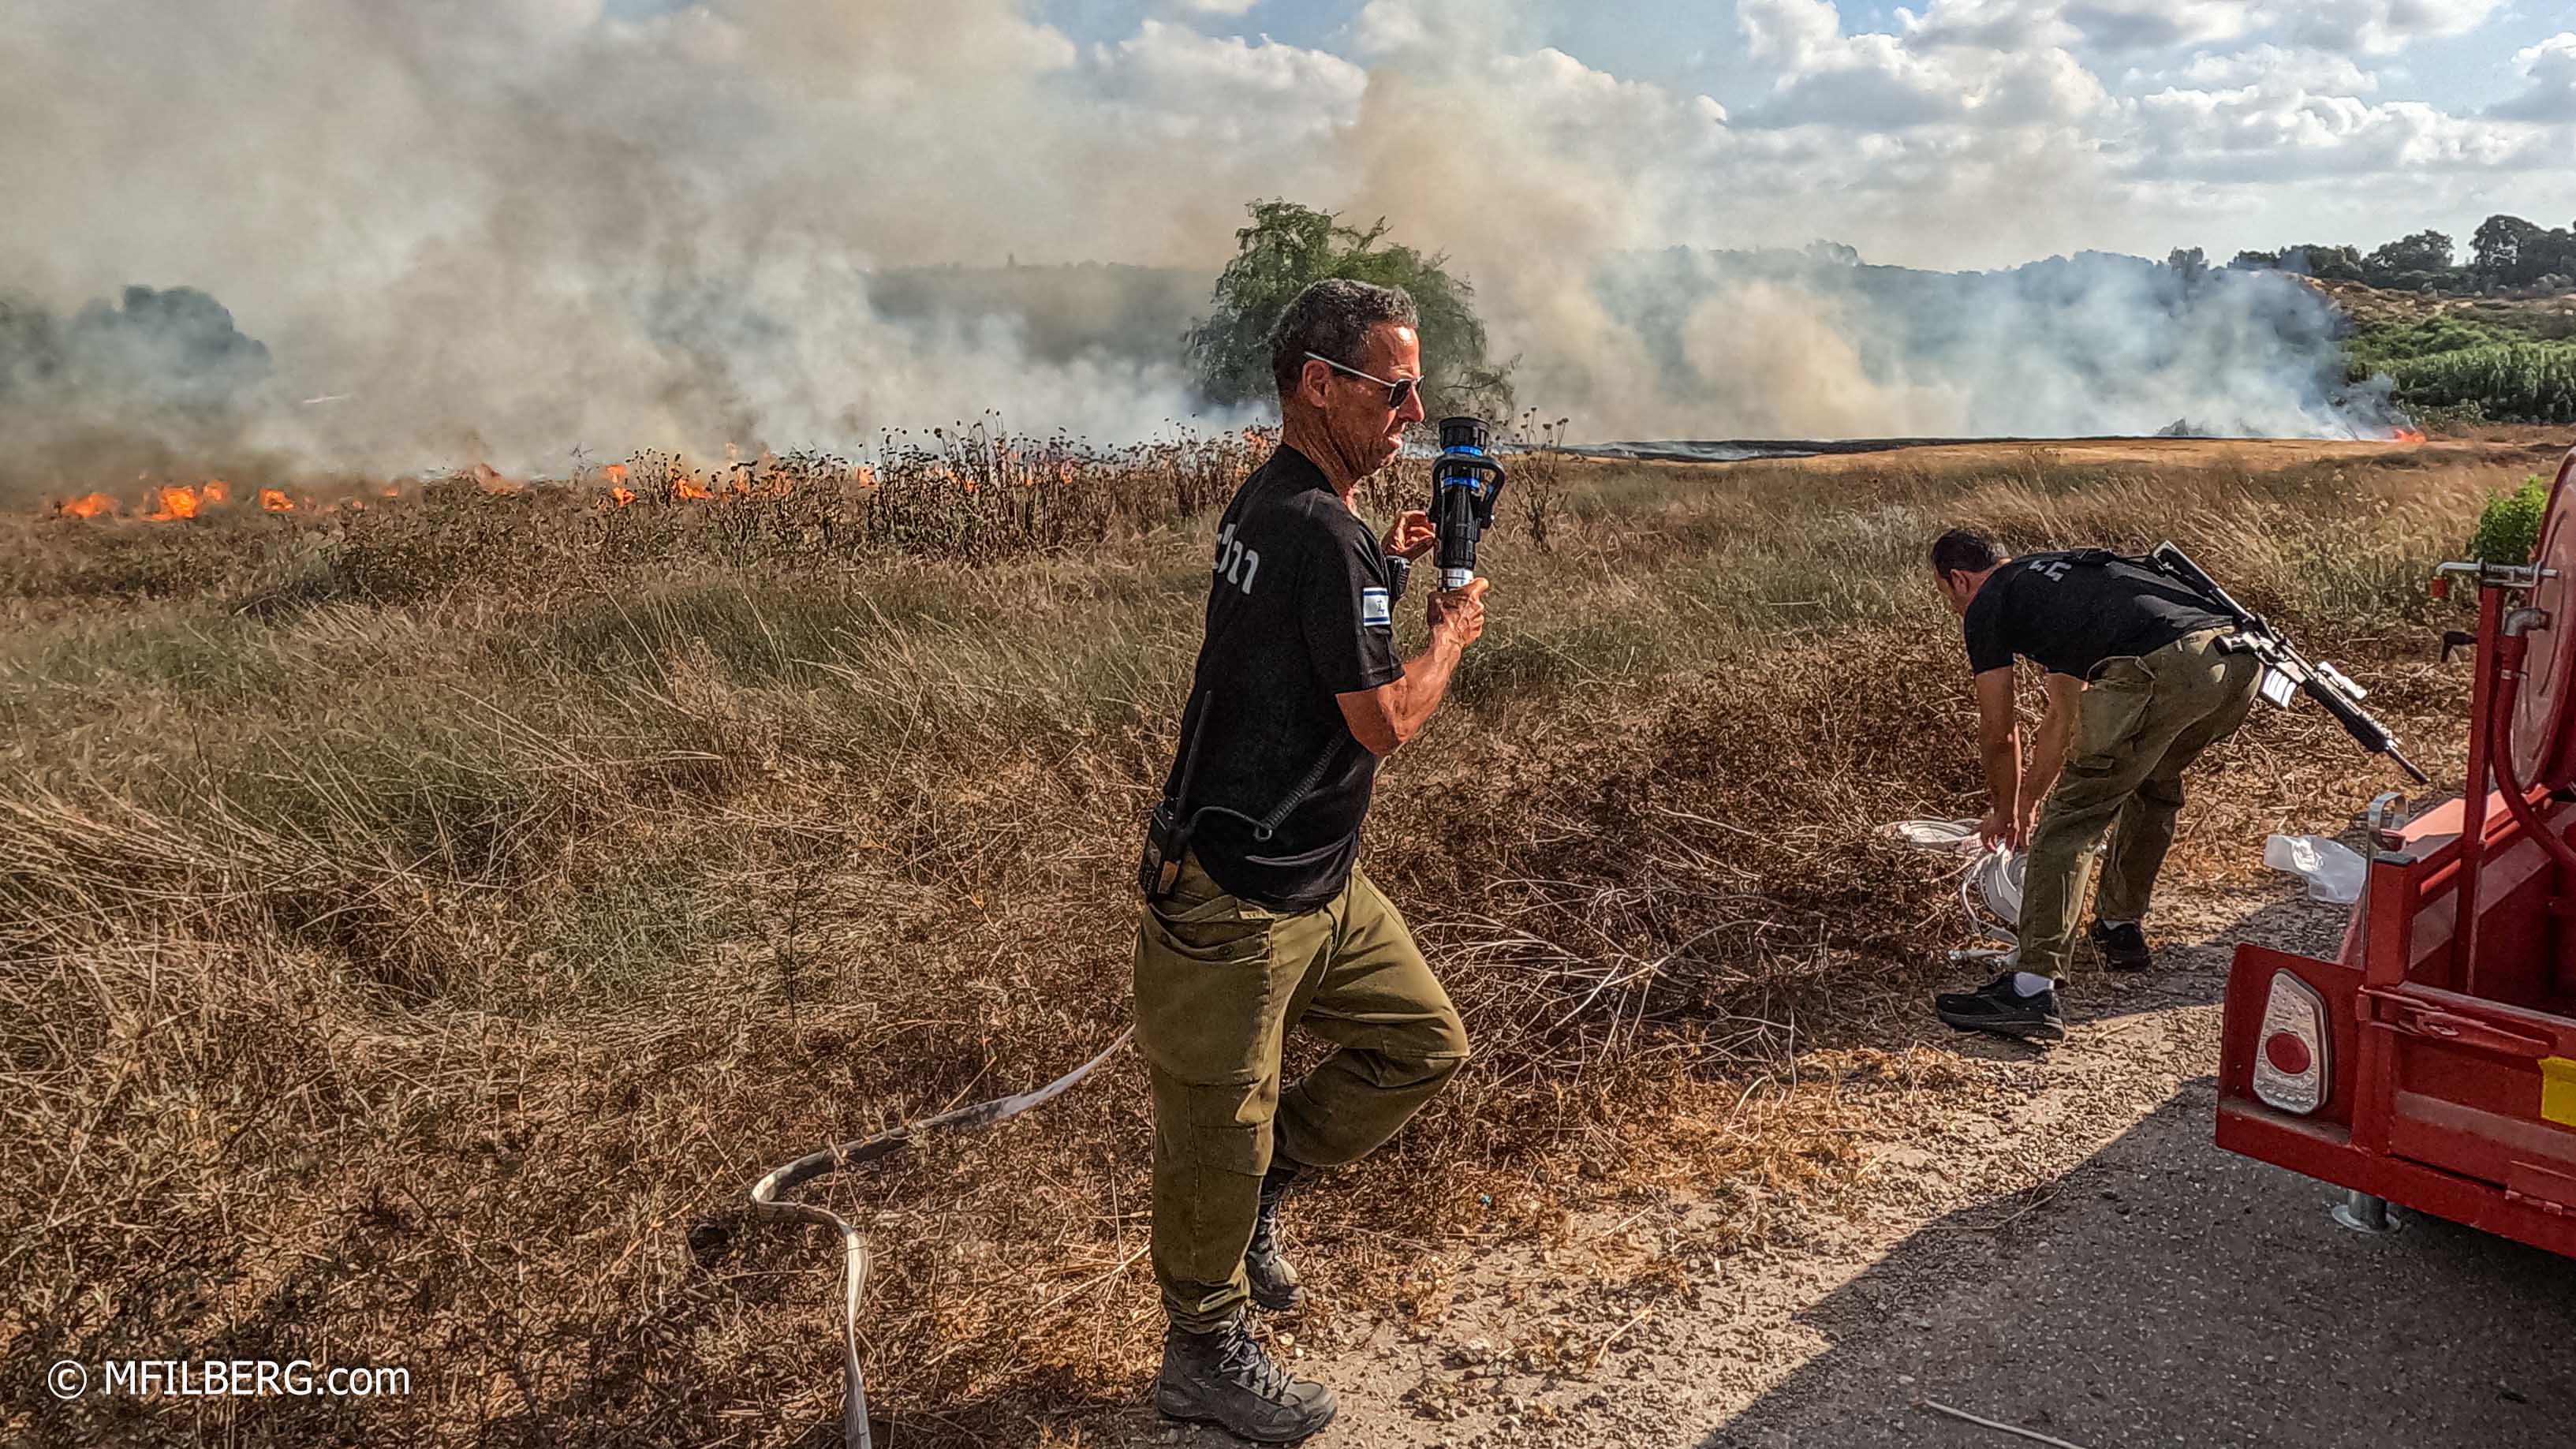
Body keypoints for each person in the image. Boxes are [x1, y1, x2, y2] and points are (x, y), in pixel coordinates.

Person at [1134, 278, 1487, 1443]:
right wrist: (1444, 634)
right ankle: (1202, 1348)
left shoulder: (1283, 503)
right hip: (1236, 894)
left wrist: (1382, 564)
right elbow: (1384, 721)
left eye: (1415, 388)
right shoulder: (1313, 529)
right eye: (1394, 387)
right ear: (1319, 384)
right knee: (1212, 1129)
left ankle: (1267, 1191)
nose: (1413, 409)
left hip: (1321, 878)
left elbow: (1309, 621)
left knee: (1422, 1040)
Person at [1926, 527, 2261, 1043]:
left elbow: (1998, 730)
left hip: (2166, 663)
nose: (1949, 604)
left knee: (2074, 819)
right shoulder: (2054, 583)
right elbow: (2063, 715)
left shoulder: (1988, 601)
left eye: (1944, 593)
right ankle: (2119, 929)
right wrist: (2025, 801)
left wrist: (2002, 810)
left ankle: (2030, 989)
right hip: (2237, 663)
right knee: (2153, 782)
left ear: (1958, 579)